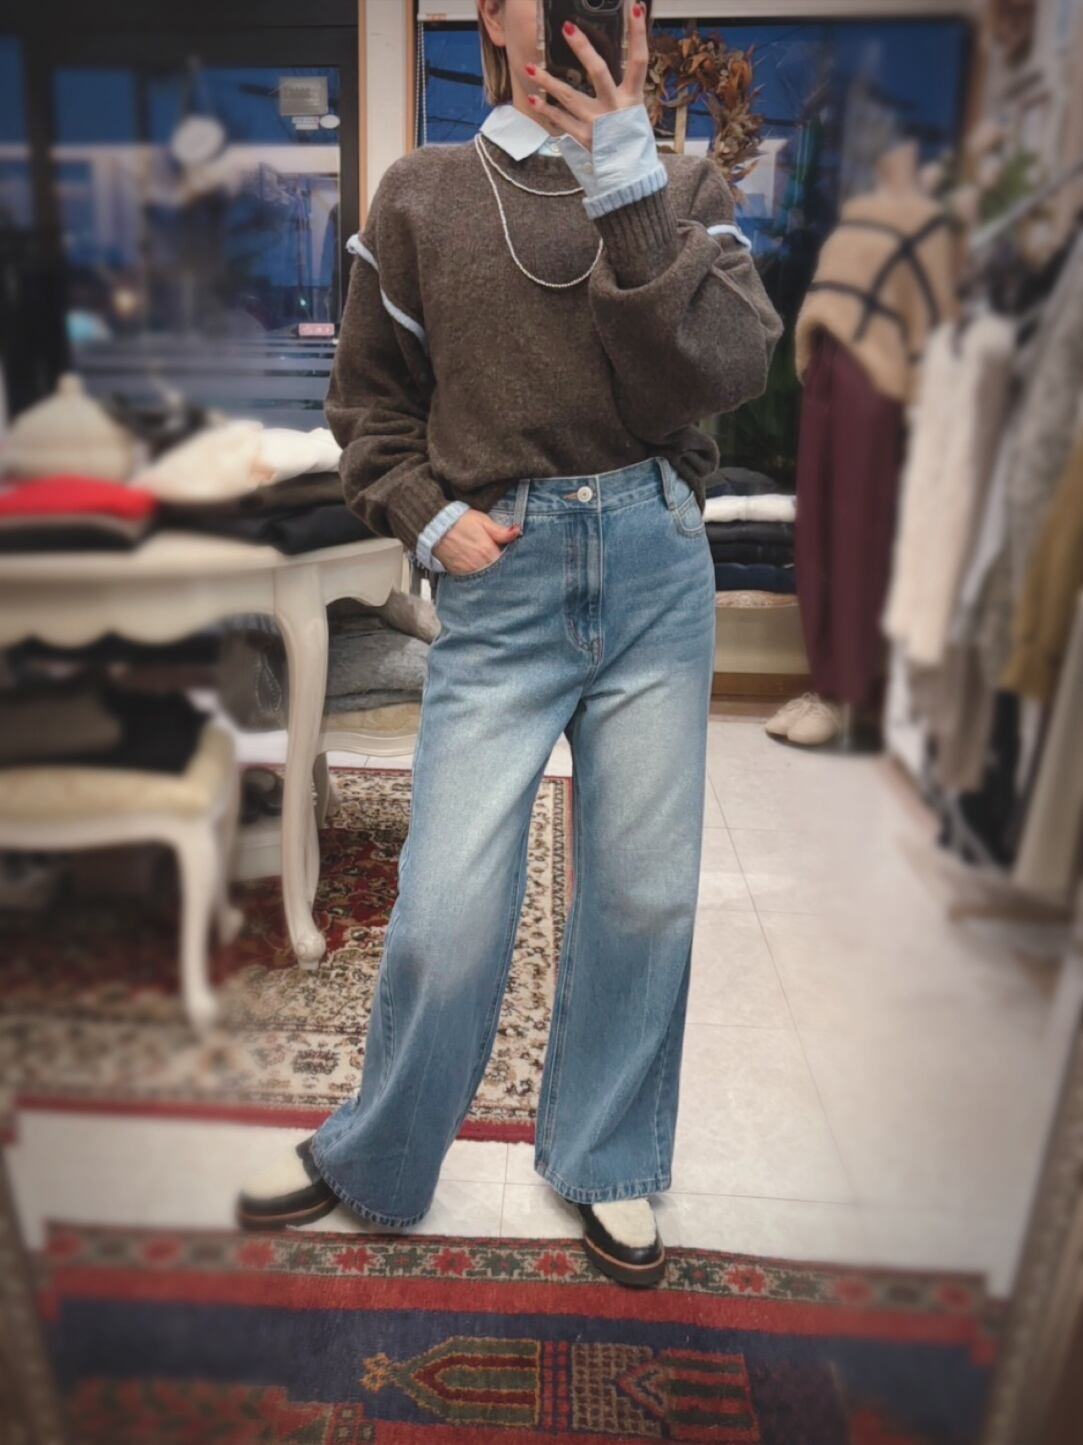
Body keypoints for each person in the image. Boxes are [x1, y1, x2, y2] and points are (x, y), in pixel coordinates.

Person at [236, 0, 782, 1290]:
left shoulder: (683, 186)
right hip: (506, 579)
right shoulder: (422, 196)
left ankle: (608, 1159)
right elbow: (371, 407)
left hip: (653, 573)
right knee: (445, 908)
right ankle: (379, 1152)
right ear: (492, 11)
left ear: (633, 18)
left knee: (642, 893)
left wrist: (631, 180)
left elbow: (727, 369)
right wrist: (427, 517)